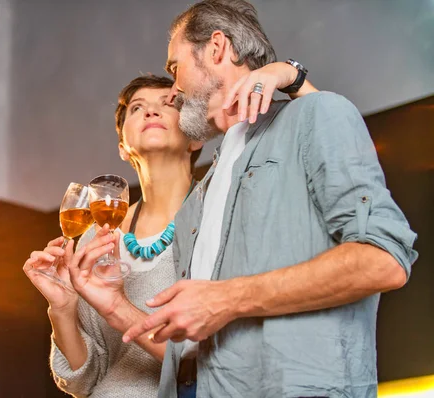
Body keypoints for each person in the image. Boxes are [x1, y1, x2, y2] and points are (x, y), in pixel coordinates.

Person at [121, 1, 419, 397]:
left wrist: (226, 298)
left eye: (175, 69)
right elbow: (190, 338)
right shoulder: (200, 197)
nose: (173, 91)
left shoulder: (316, 113)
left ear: (216, 48)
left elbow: (384, 259)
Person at [23, 63, 318, 396]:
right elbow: (82, 381)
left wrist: (287, 74)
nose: (151, 111)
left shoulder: (223, 213)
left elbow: (231, 356)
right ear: (122, 146)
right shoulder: (95, 237)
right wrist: (61, 310)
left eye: (169, 103)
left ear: (195, 138)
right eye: (137, 108)